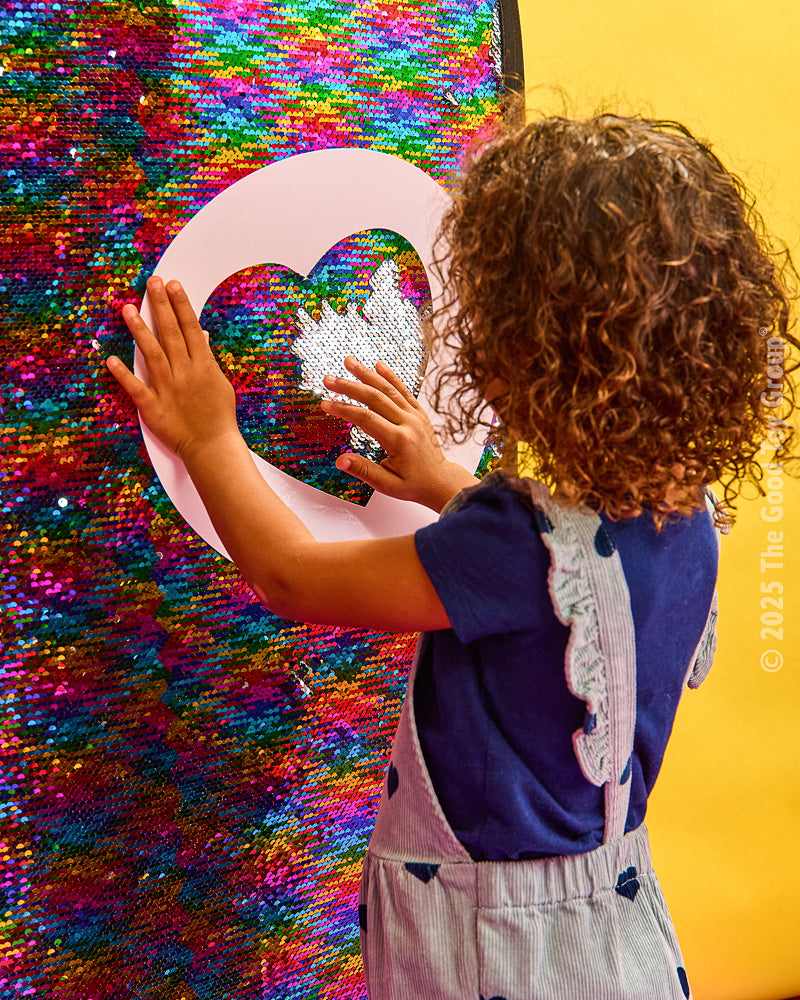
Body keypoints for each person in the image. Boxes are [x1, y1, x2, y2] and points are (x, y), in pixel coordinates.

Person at [107, 111, 798, 999]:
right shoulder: (687, 513)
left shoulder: (506, 545)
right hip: (610, 927)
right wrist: (443, 482)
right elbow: (560, 593)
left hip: (485, 943)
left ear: (524, 351)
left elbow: (289, 575)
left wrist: (209, 436)